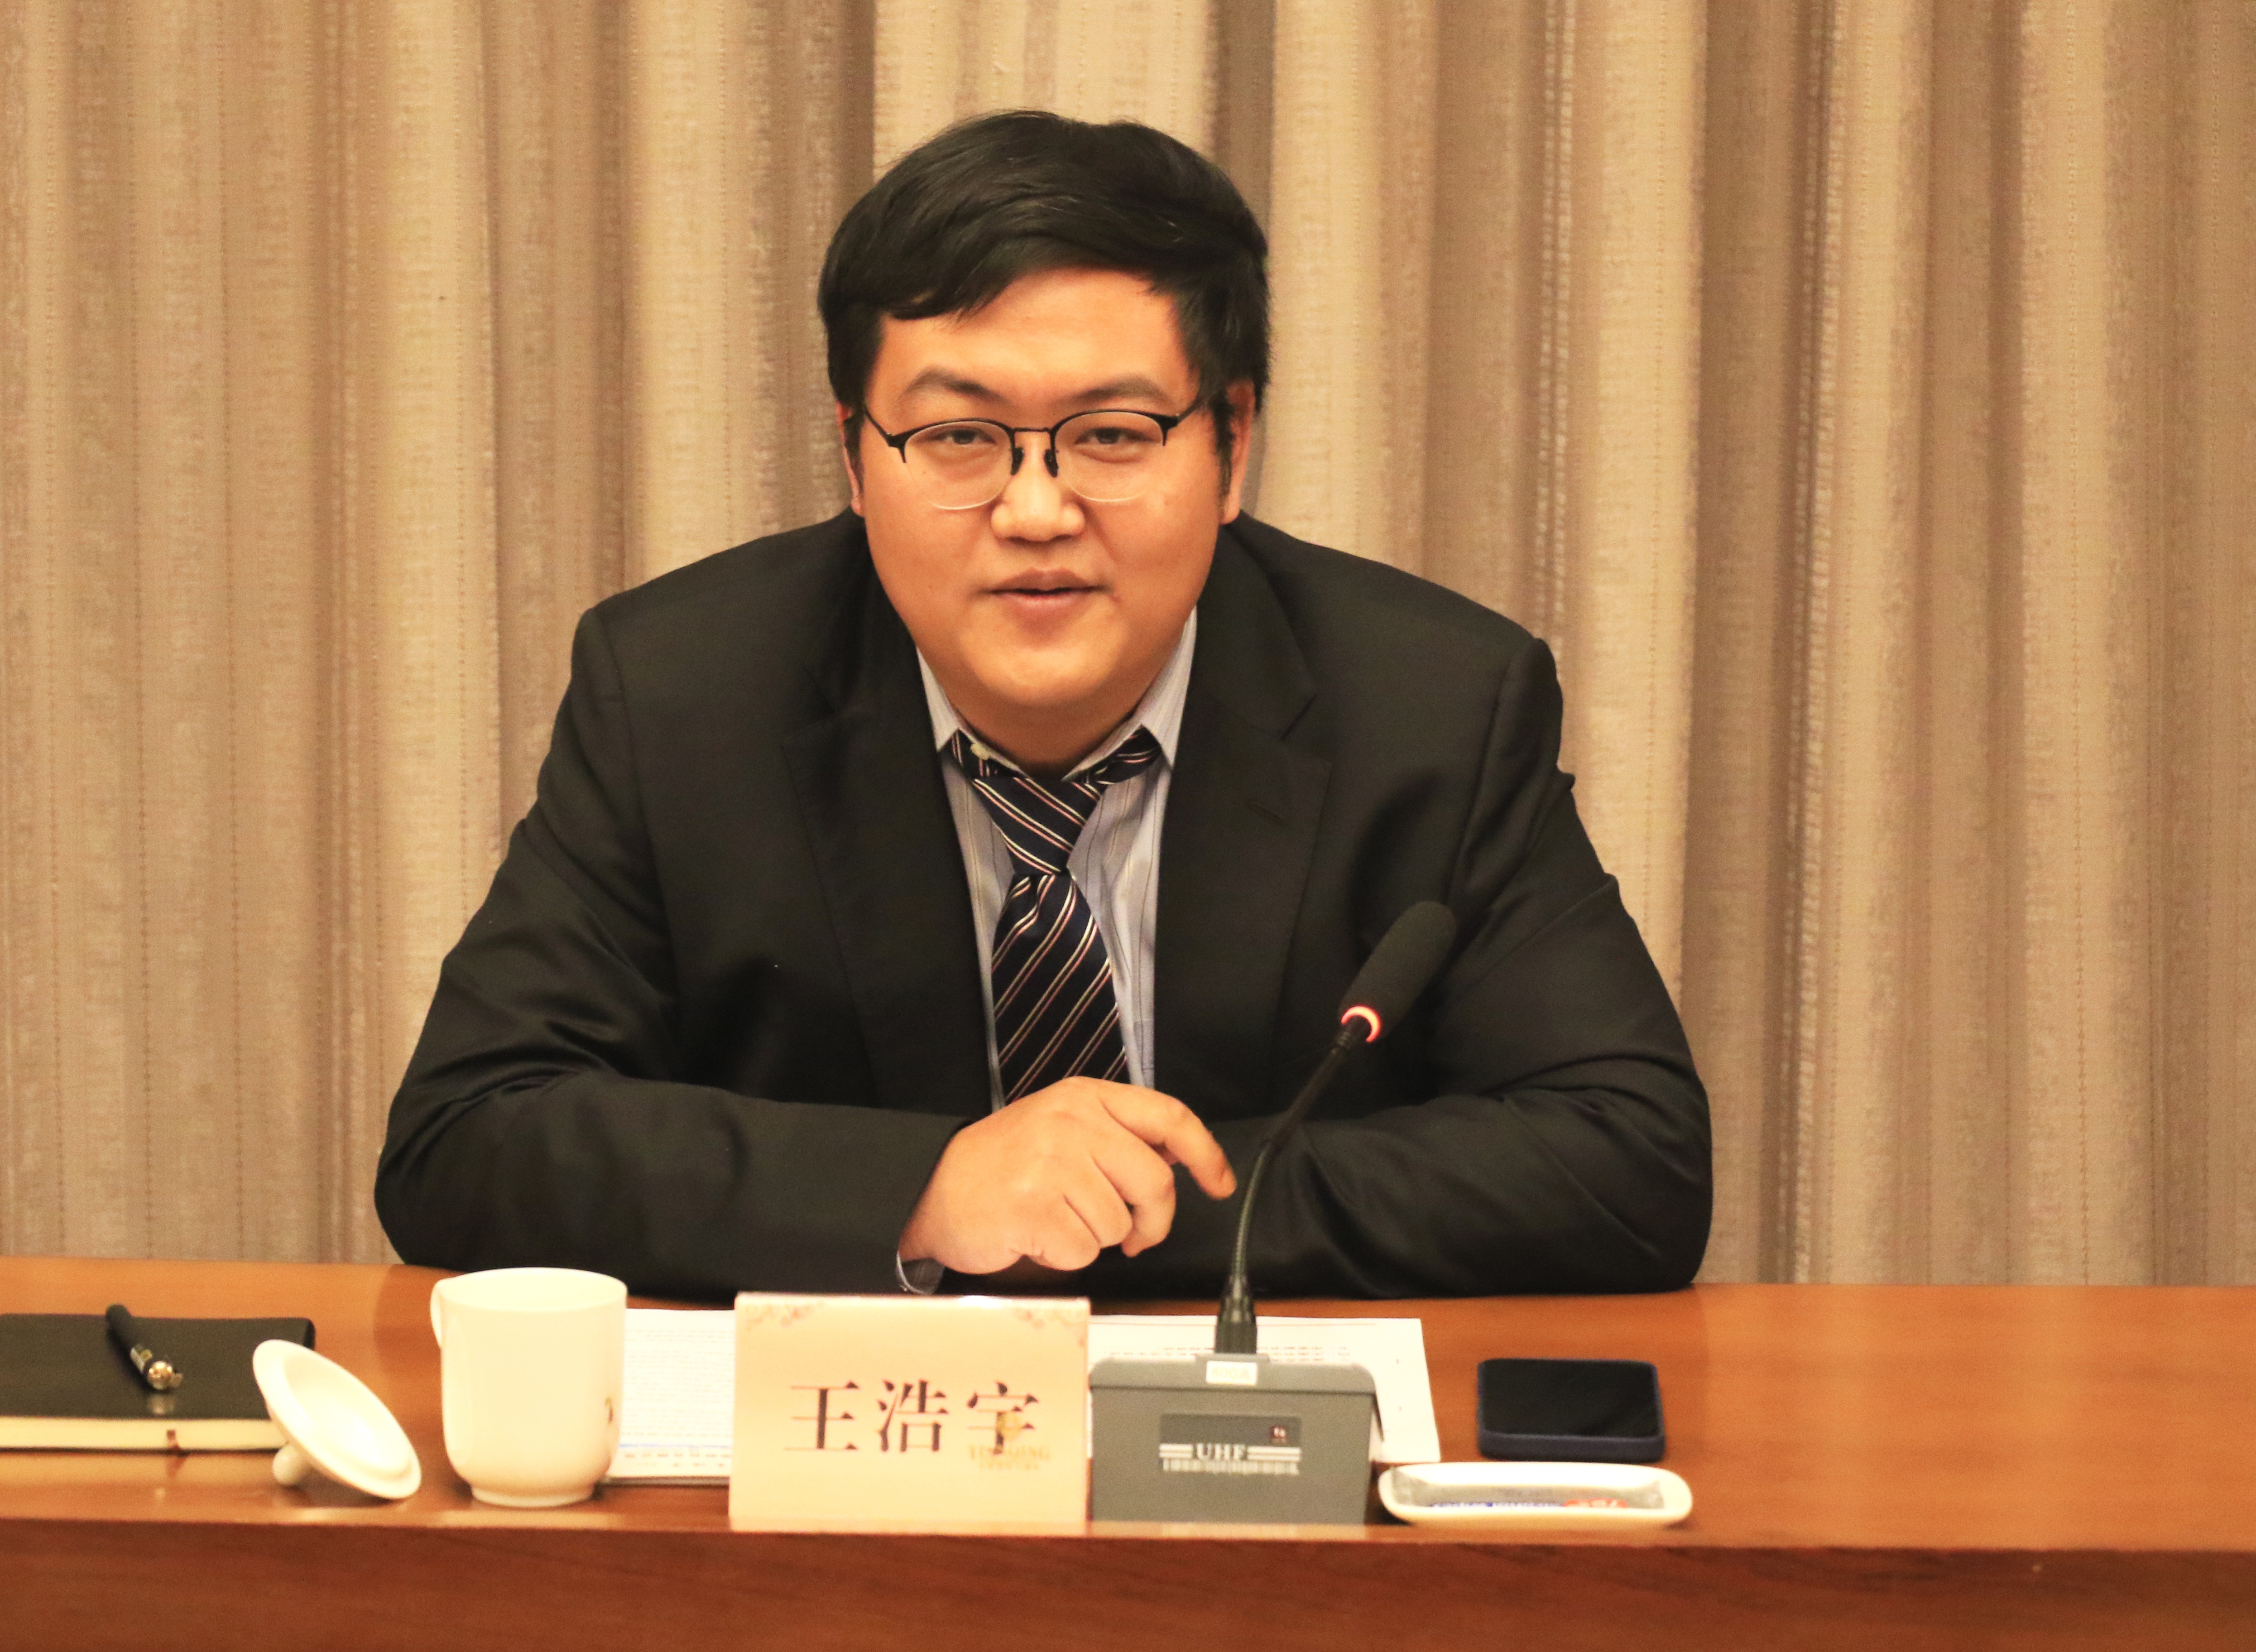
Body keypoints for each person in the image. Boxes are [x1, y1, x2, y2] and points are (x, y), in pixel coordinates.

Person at [376, 111, 1710, 1300]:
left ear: (1233, 443)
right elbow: (466, 1135)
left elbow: (1626, 1159)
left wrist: (1117, 1207)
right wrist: (928, 1191)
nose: (1034, 511)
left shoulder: (1429, 706)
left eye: (1113, 435)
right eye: (959, 437)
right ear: (854, 458)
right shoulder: (684, 695)